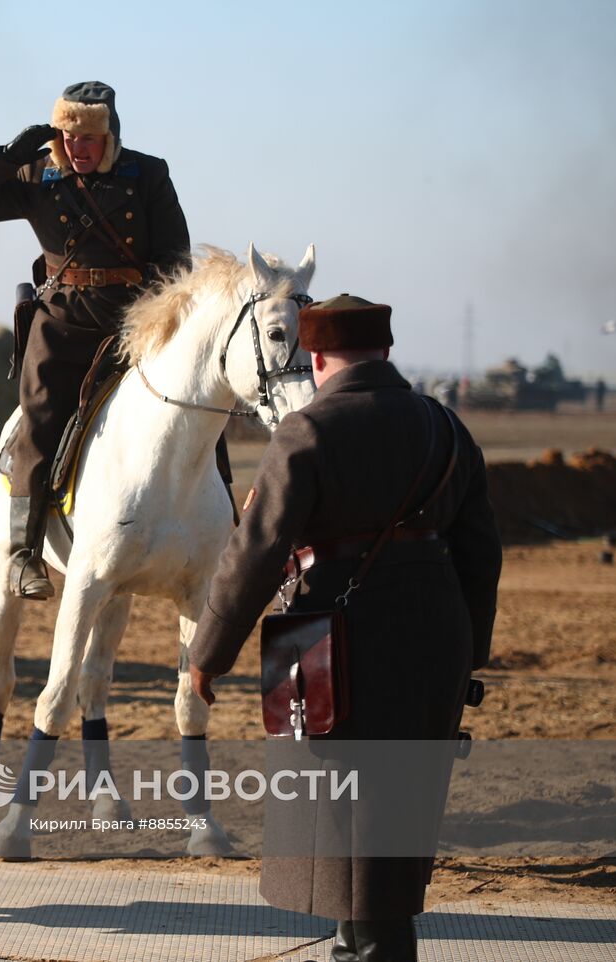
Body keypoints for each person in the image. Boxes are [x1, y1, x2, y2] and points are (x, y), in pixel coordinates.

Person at [186, 295, 503, 962]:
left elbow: (255, 555)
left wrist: (206, 655)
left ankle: (364, 951)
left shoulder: (305, 432)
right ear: (385, 352)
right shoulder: (445, 427)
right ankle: (355, 946)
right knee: (394, 824)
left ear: (318, 357)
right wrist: (468, 652)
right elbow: (481, 551)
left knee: (341, 821)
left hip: (329, 638)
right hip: (436, 637)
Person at [0, 80, 191, 600]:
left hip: (135, 324)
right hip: (62, 324)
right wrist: (9, 154)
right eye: (67, 137)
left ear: (110, 137)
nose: (77, 149)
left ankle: (214, 524)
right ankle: (23, 553)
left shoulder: (148, 173)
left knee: (189, 401)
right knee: (38, 420)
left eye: (88, 139)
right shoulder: (38, 173)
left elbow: (177, 258)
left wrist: (159, 314)